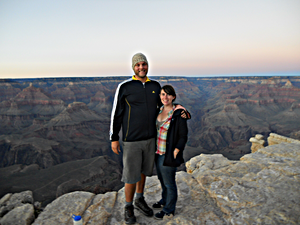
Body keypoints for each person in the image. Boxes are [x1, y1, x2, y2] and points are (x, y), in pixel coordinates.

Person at [110, 53, 189, 224]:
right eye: (137, 65)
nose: (141, 67)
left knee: (144, 172)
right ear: (133, 67)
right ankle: (129, 206)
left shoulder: (155, 85)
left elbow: (163, 104)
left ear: (147, 66)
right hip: (132, 139)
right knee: (131, 175)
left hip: (151, 139)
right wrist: (114, 137)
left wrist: (178, 108)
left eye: (143, 64)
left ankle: (139, 199)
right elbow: (117, 113)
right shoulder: (125, 86)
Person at [153, 85, 188, 220]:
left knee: (169, 183)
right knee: (162, 180)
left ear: (173, 96)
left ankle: (169, 210)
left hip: (168, 154)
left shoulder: (178, 113)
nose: (165, 97)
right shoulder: (159, 110)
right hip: (157, 152)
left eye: (168, 94)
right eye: (162, 94)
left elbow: (183, 135)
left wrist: (177, 150)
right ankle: (164, 200)